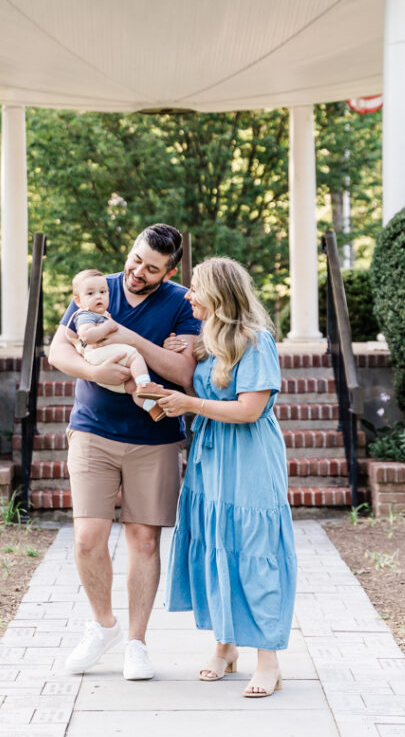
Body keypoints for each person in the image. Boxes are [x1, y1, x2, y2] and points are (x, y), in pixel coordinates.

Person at [48, 223, 201, 680]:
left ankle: (136, 642)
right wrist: (95, 375)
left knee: (144, 540)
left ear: (169, 270)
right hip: (92, 430)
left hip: (153, 438)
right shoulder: (96, 287)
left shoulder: (180, 302)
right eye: (135, 260)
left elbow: (185, 372)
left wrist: (130, 339)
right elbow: (58, 351)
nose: (137, 272)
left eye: (151, 269)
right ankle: (103, 626)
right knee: (87, 538)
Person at [158, 257, 297, 698]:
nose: (188, 295)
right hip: (211, 461)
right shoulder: (205, 341)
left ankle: (268, 660)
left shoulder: (256, 341)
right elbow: (201, 387)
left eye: (195, 288)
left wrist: (191, 406)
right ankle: (225, 646)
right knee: (218, 543)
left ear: (219, 294)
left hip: (250, 459)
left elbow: (249, 409)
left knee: (255, 551)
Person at [68, 268, 165, 421]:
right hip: (97, 355)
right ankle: (145, 384)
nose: (98, 296)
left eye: (103, 292)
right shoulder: (85, 315)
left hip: (104, 364)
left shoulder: (101, 315)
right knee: (134, 355)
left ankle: (152, 408)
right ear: (78, 301)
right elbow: (86, 335)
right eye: (90, 293)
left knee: (132, 387)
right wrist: (107, 327)